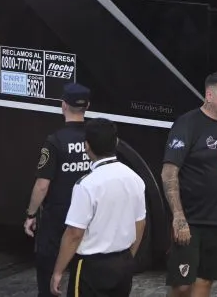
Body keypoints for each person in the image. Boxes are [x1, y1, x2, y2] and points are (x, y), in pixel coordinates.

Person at [162, 72, 217, 296]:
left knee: (205, 280)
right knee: (182, 285)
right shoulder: (188, 124)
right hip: (191, 219)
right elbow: (169, 171)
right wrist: (178, 217)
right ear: (209, 95)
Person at [49, 119, 146, 297]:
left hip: (92, 267)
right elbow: (140, 222)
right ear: (116, 142)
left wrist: (57, 272)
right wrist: (128, 257)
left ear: (87, 146)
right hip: (123, 263)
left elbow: (74, 234)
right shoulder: (135, 179)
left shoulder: (86, 185)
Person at [24, 83, 93, 297]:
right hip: (88, 219)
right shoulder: (96, 139)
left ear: (63, 105)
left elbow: (42, 184)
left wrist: (31, 214)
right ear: (87, 106)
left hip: (57, 219)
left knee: (48, 279)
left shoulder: (54, 142)